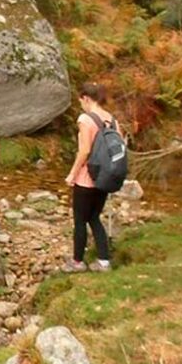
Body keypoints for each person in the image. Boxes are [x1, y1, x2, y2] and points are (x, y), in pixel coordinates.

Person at [62, 83, 116, 273]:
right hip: (104, 177)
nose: (81, 105)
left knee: (79, 220)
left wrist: (72, 174)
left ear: (85, 98)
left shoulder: (85, 119)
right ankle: (104, 261)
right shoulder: (111, 119)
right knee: (94, 217)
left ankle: (77, 261)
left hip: (86, 178)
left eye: (81, 101)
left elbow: (84, 150)